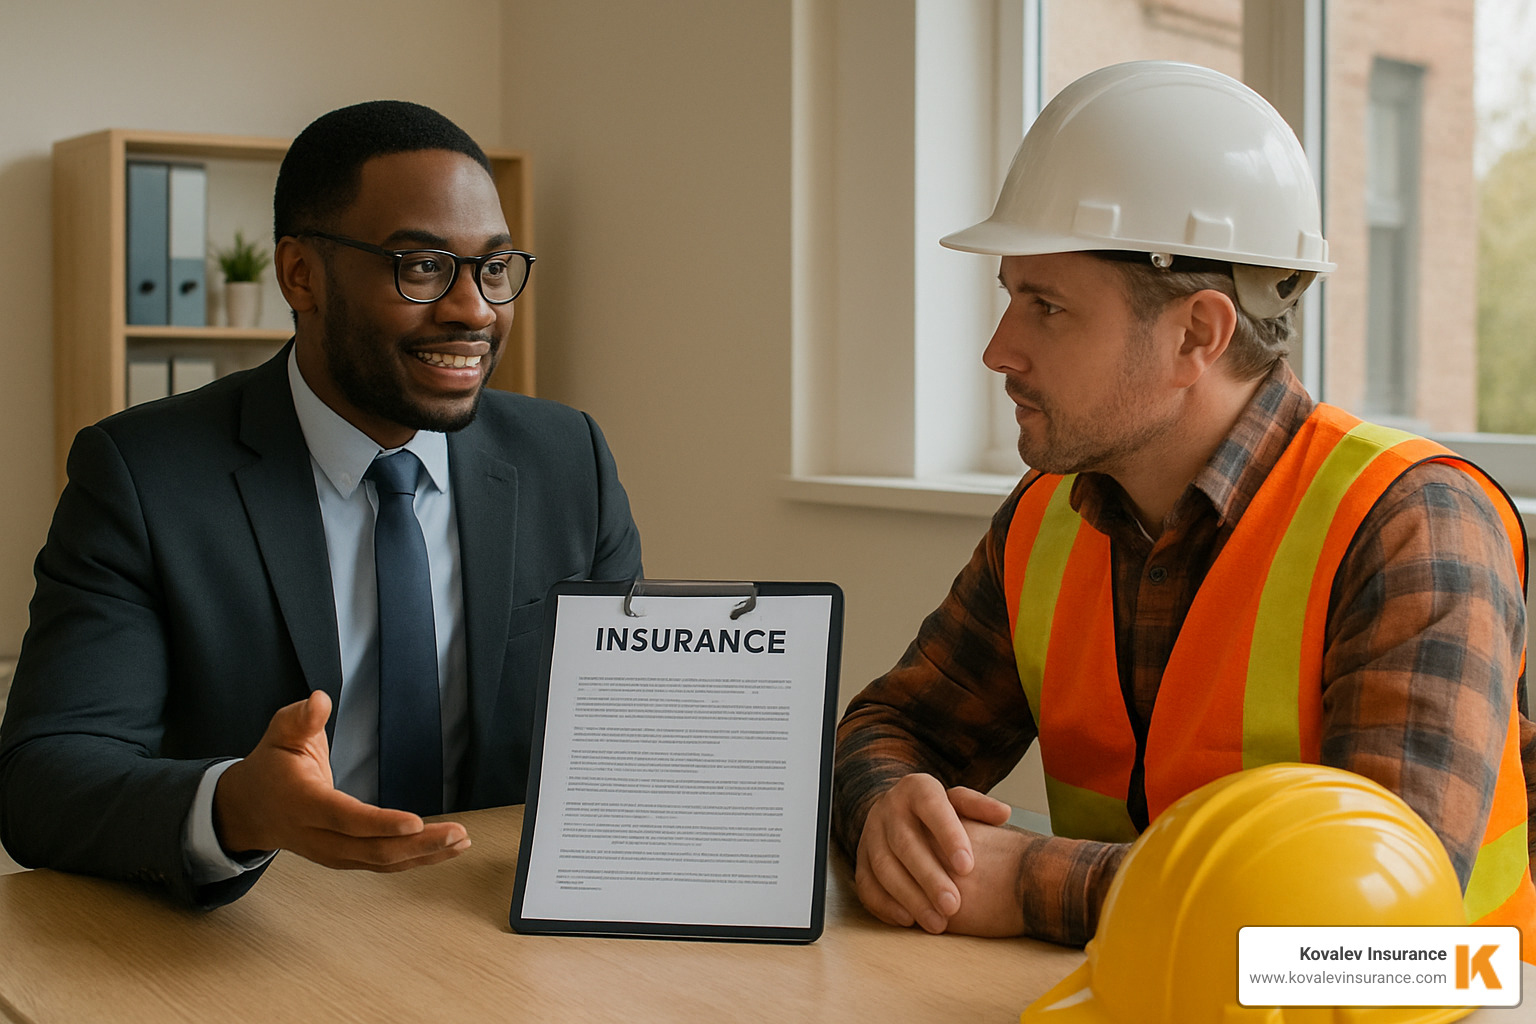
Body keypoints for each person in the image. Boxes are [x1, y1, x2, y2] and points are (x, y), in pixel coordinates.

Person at [832, 61, 1534, 954]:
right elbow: (894, 727)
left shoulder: (1413, 525)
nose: (998, 349)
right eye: (1009, 296)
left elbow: (1380, 928)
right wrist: (892, 811)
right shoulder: (1051, 515)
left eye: (1046, 307)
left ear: (1197, 333)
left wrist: (1030, 883)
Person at [0, 100, 642, 908]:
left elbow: (624, 731)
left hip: (487, 918)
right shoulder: (143, 475)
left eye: (492, 266)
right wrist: (236, 805)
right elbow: (44, 778)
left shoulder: (566, 459)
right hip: (257, 931)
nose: (474, 308)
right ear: (300, 274)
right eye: (420, 266)